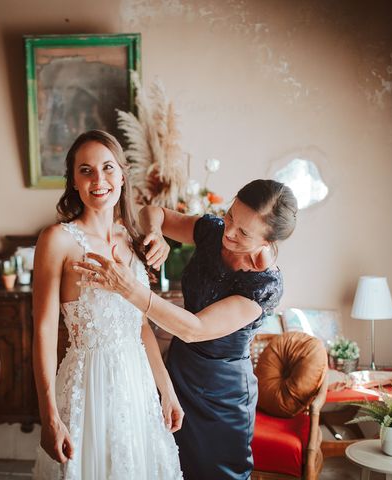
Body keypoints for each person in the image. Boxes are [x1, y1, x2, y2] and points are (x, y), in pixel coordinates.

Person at [73, 179, 298, 480]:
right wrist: (155, 232)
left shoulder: (264, 286)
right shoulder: (214, 233)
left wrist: (130, 289)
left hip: (222, 393)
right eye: (231, 216)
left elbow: (196, 329)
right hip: (178, 373)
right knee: (169, 466)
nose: (229, 232)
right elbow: (153, 212)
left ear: (268, 242)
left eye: (244, 232)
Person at [32, 130, 183, 480]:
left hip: (137, 389)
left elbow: (140, 326)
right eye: (85, 170)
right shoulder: (57, 240)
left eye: (107, 168)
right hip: (87, 388)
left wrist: (167, 390)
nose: (98, 180)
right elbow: (42, 331)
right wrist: (49, 417)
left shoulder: (132, 240)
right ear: (72, 180)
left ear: (122, 173)